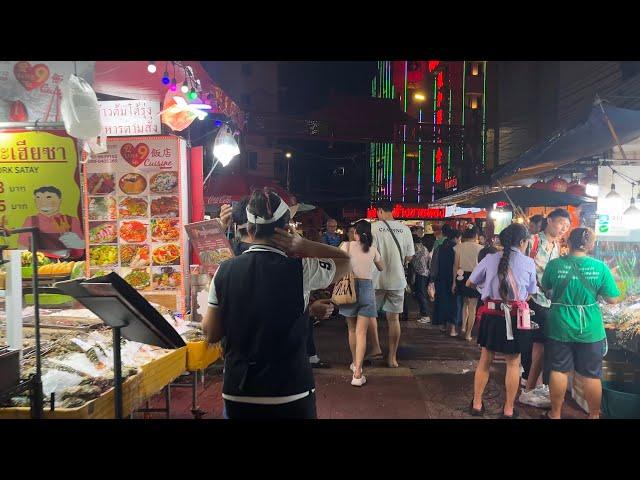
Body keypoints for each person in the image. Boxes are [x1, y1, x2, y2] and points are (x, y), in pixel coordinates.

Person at [203, 189, 351, 419]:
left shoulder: (224, 270)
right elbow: (345, 260)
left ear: (249, 229)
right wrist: (304, 246)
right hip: (291, 388)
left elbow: (211, 333)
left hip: (239, 389)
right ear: (287, 229)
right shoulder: (302, 269)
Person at [541, 228, 620, 419]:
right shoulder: (600, 267)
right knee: (592, 375)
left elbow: (545, 288)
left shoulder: (554, 265)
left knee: (559, 370)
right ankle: (594, 416)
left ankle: (556, 414)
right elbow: (613, 299)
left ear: (568, 242)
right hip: (590, 328)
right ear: (591, 245)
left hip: (560, 324)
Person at [467, 223, 538, 418]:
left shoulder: (490, 259)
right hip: (516, 318)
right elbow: (531, 293)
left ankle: (477, 404)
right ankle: (508, 409)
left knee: (485, 360)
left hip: (491, 315)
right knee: (513, 363)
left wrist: (486, 288)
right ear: (523, 242)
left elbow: (470, 282)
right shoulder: (529, 263)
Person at [519, 208, 572, 409]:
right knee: (536, 344)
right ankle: (529, 384)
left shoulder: (558, 246)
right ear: (549, 220)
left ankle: (532, 384)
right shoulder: (532, 241)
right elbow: (519, 267)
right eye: (560, 223)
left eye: (566, 227)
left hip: (550, 301)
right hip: (532, 299)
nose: (563, 229)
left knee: (540, 345)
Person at [368, 201, 415, 368]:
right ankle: (392, 358)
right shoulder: (405, 229)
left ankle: (375, 348)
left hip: (375, 279)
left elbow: (369, 254)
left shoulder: (372, 228)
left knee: (370, 316)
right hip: (397, 280)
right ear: (393, 210)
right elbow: (410, 257)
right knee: (394, 319)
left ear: (379, 211)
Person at [340, 220, 384, 386]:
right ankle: (358, 373)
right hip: (367, 289)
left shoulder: (346, 246)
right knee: (361, 333)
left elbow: (337, 262)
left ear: (356, 233)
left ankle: (354, 364)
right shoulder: (372, 249)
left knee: (351, 330)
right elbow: (381, 267)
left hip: (349, 289)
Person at [19, 186, 85, 259]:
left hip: (66, 264)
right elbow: (22, 248)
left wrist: (77, 243)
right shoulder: (30, 220)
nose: (43, 202)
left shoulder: (71, 220)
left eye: (49, 197)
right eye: (38, 198)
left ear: (59, 200)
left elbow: (81, 249)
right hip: (40, 264)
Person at [453, 225, 483, 341]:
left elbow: (455, 265)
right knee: (472, 307)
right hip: (475, 278)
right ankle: (468, 334)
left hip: (461, 276)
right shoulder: (481, 248)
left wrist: (454, 282)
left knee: (464, 303)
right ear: (476, 235)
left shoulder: (458, 247)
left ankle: (464, 327)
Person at [434, 228, 462, 336]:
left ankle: (443, 325)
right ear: (456, 238)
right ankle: (453, 330)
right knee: (454, 303)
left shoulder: (440, 247)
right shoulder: (457, 248)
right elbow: (459, 265)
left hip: (440, 279)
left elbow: (434, 264)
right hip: (454, 279)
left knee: (442, 301)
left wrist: (432, 279)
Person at [411, 234, 431, 324]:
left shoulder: (415, 248)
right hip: (426, 273)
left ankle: (425, 315)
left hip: (420, 273)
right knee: (422, 293)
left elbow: (410, 259)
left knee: (421, 294)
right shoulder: (424, 247)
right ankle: (424, 314)